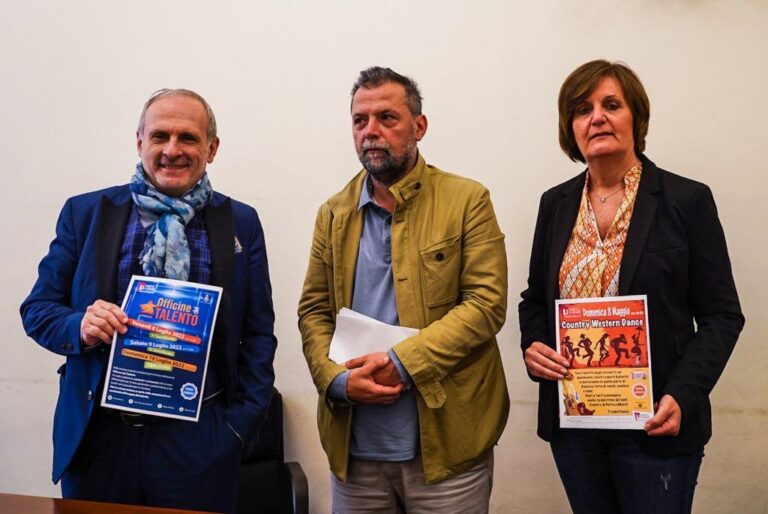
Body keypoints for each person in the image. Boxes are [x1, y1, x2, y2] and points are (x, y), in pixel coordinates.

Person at [20, 89, 277, 514]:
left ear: (211, 148)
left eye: (188, 137)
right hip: (99, 439)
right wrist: (79, 326)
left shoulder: (241, 222)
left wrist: (236, 430)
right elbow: (38, 310)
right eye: (160, 136)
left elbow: (258, 332)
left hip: (199, 441)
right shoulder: (85, 213)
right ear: (140, 142)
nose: (172, 150)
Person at [519, 60, 744, 514]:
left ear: (635, 117)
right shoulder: (555, 203)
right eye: (582, 109)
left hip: (656, 419)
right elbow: (535, 299)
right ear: (570, 128)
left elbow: (722, 315)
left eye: (611, 105)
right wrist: (534, 344)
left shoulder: (686, 200)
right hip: (576, 424)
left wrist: (683, 394)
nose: (597, 117)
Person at [298, 66, 508, 513]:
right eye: (360, 120)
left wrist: (402, 363)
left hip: (446, 449)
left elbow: (486, 305)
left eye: (387, 118)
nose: (371, 131)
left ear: (419, 126)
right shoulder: (332, 213)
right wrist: (335, 380)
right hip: (355, 450)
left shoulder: (467, 200)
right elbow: (314, 311)